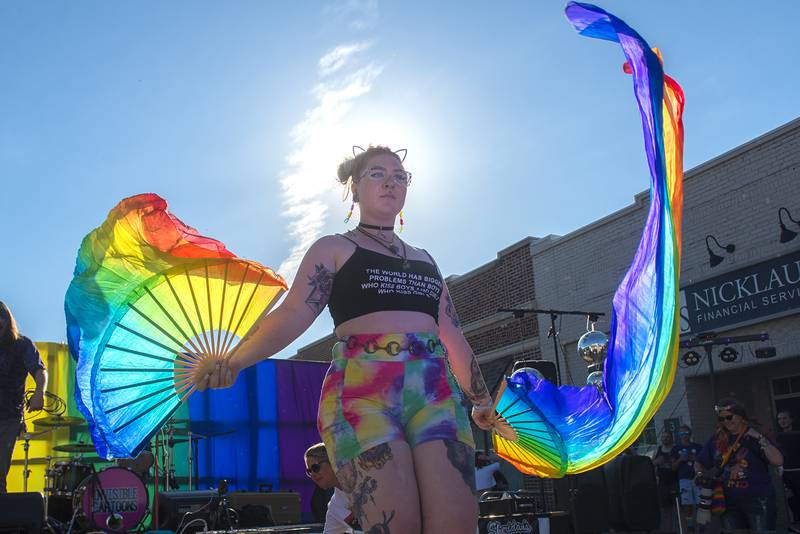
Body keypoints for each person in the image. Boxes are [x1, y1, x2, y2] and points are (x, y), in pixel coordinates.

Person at [197, 146, 494, 534]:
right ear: (353, 189)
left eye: (399, 175)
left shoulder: (426, 259)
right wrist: (234, 361)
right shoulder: (335, 249)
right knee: (396, 525)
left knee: (455, 524)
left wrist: (482, 399)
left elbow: (452, 333)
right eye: (376, 173)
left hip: (434, 393)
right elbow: (293, 314)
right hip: (363, 395)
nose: (390, 180)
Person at [695, 399, 784, 533]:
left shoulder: (755, 434)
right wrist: (700, 475)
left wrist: (760, 438)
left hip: (758, 498)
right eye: (722, 419)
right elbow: (699, 462)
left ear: (740, 416)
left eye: (729, 417)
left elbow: (778, 460)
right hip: (728, 501)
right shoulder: (717, 438)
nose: (726, 421)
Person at [0, 301, 46, 493]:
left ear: (6, 320)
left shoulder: (21, 344)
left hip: (8, 417)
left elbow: (39, 370)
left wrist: (39, 393)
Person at [305, 442, 357, 534]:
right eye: (309, 471)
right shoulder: (335, 506)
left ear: (332, 461)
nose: (313, 474)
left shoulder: (369, 481)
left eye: (315, 468)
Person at [671, 425, 702, 532]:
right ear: (679, 436)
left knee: (700, 503)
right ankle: (690, 527)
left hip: (697, 478)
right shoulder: (676, 449)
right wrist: (680, 459)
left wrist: (695, 458)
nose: (684, 436)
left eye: (686, 433)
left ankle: (701, 526)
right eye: (681, 434)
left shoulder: (698, 447)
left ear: (690, 434)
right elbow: (673, 467)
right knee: (687, 504)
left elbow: (704, 463)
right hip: (684, 479)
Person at [776, 410, 800, 523]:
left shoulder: (797, 434)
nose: (782, 421)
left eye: (785, 418)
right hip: (786, 475)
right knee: (792, 502)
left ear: (791, 419)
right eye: (779, 419)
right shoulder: (777, 437)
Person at [652, 430, 678, 509]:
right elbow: (651, 464)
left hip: (675, 481)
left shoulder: (676, 449)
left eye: (667, 437)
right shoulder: (657, 450)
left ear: (671, 438)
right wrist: (657, 461)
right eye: (663, 437)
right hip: (662, 483)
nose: (665, 439)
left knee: (678, 507)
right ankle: (668, 521)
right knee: (665, 508)